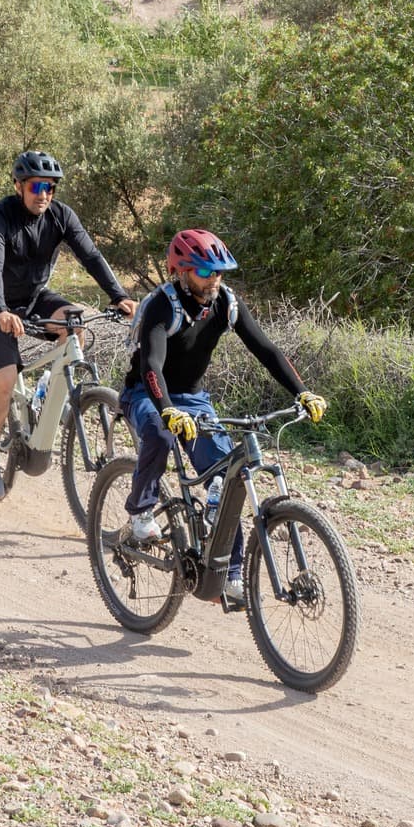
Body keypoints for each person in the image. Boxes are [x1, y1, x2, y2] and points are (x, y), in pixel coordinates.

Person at [120, 227, 327, 605]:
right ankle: (140, 511)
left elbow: (267, 350)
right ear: (181, 271)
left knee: (229, 475)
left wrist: (303, 391)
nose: (214, 279)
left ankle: (231, 575)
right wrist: (166, 409)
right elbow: (151, 365)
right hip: (147, 392)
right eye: (205, 272)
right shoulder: (162, 306)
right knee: (161, 434)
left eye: (218, 272)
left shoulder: (226, 303)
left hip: (194, 399)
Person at [0, 149, 135, 501]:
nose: (44, 194)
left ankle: (45, 390)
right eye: (36, 186)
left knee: (77, 328)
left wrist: (118, 295)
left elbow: (90, 255)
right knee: (6, 377)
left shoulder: (60, 216)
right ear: (19, 186)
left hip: (34, 296)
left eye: (50, 188)